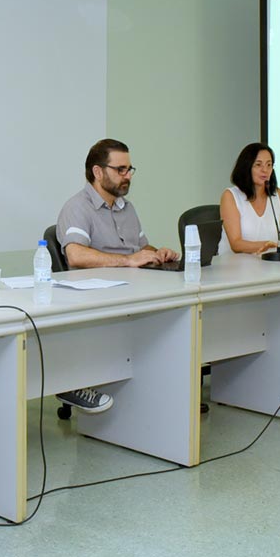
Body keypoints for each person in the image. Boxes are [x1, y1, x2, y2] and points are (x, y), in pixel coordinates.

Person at [54, 138, 179, 413]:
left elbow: (141, 248)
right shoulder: (77, 207)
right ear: (98, 172)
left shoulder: (127, 208)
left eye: (130, 169)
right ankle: (75, 382)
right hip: (97, 295)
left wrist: (158, 253)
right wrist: (128, 261)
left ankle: (160, 388)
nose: (127, 177)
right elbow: (75, 255)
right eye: (120, 170)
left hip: (131, 289)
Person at [219, 142, 280, 256]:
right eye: (258, 165)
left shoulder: (278, 196)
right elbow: (236, 244)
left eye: (269, 165)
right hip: (233, 268)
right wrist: (265, 245)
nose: (265, 170)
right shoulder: (230, 196)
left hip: (268, 267)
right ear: (246, 167)